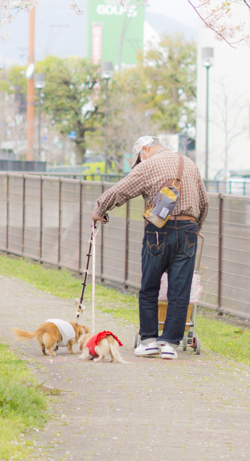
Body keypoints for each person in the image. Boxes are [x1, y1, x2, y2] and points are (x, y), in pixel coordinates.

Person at [92, 135, 209, 360]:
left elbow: (121, 190)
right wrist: (197, 225)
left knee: (150, 287)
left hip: (158, 231)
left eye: (139, 157)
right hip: (188, 230)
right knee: (179, 289)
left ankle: (148, 341)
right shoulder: (190, 164)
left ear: (144, 149)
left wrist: (100, 209)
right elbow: (204, 202)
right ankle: (169, 344)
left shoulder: (148, 165)